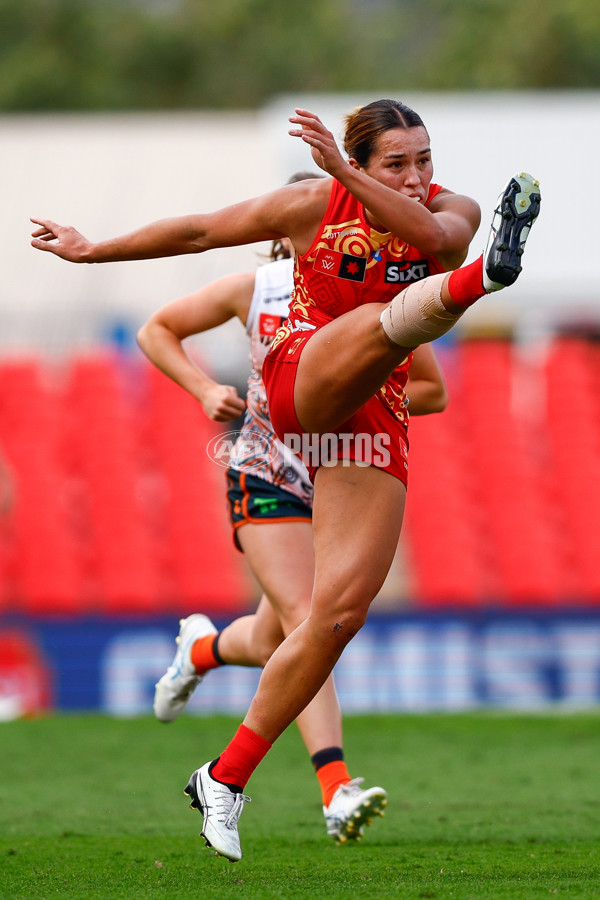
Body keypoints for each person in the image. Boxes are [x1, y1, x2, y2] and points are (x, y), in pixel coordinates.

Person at [30, 98, 541, 861]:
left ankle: (223, 777)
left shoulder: (452, 209)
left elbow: (436, 239)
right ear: (361, 164)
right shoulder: (310, 206)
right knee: (391, 315)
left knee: (334, 618)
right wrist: (92, 251)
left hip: (372, 416)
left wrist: (366, 181)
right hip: (295, 388)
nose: (416, 176)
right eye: (395, 163)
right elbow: (200, 230)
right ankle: (482, 284)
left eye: (423, 159)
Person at [136, 194, 449, 842]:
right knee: (313, 620)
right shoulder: (255, 289)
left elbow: (432, 390)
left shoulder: (374, 301)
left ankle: (202, 648)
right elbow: (155, 328)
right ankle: (335, 787)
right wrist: (203, 389)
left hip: (345, 469)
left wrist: (366, 389)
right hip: (268, 473)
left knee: (284, 634)